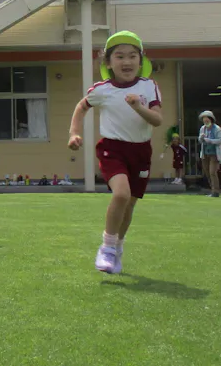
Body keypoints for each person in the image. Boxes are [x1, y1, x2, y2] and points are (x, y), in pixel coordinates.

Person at [69, 30, 162, 275]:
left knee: (129, 204)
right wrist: (74, 133)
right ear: (108, 63)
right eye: (119, 56)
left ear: (140, 61)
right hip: (113, 149)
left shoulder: (149, 86)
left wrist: (139, 107)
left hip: (141, 152)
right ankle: (107, 247)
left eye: (132, 56)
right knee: (121, 194)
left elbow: (157, 120)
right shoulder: (102, 89)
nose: (127, 61)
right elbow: (81, 106)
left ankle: (117, 248)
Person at [198, 111, 221, 197]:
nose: (205, 120)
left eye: (206, 118)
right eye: (203, 118)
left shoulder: (217, 129)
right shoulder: (203, 128)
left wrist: (211, 141)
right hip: (205, 153)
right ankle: (212, 189)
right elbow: (200, 140)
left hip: (214, 153)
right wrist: (201, 138)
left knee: (212, 172)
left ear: (211, 119)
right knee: (207, 172)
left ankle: (215, 191)